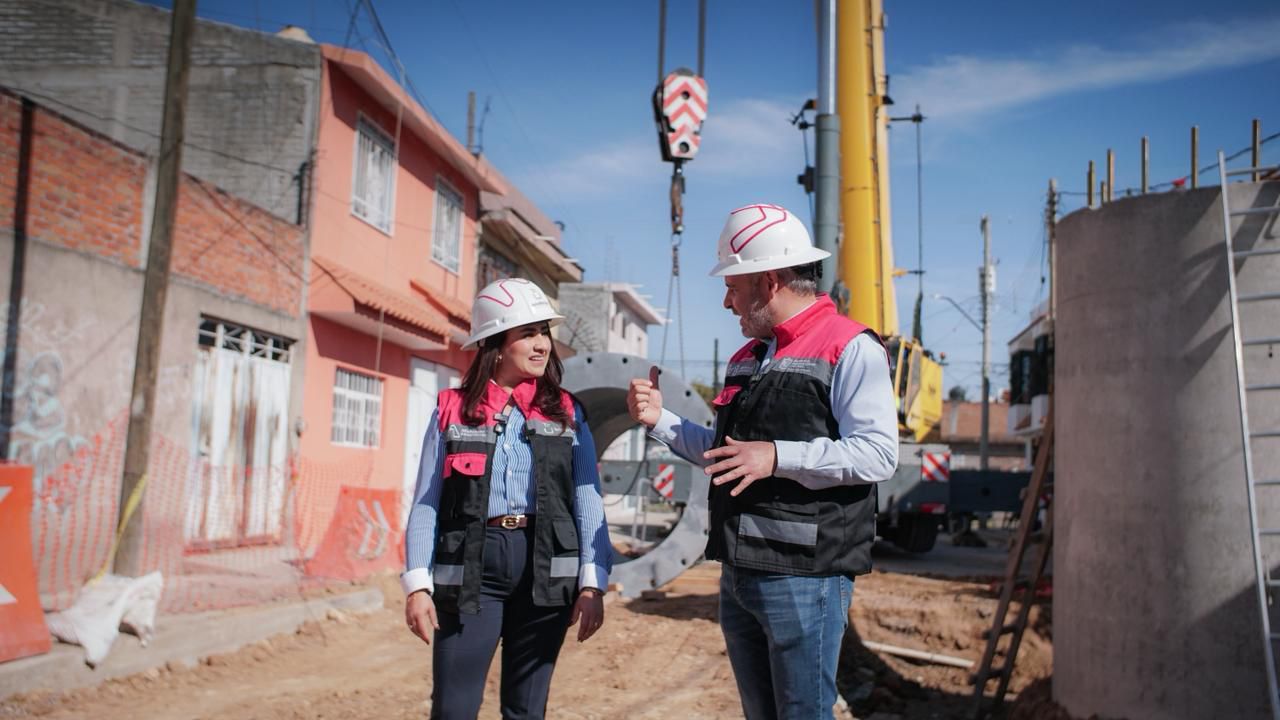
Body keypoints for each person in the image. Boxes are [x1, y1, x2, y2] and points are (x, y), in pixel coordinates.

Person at [627, 204, 899, 719]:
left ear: (769, 280)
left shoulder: (851, 347)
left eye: (733, 286)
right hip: (740, 572)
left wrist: (776, 456)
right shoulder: (747, 358)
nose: (728, 302)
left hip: (806, 576)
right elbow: (729, 457)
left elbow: (879, 453)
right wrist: (660, 420)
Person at [402, 278, 612, 720]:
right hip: (472, 568)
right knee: (453, 708)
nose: (542, 346)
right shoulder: (452, 409)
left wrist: (593, 582)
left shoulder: (568, 412)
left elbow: (587, 498)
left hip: (546, 569)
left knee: (526, 710)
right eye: (527, 334)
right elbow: (427, 500)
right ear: (496, 344)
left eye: (544, 333)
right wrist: (417, 584)